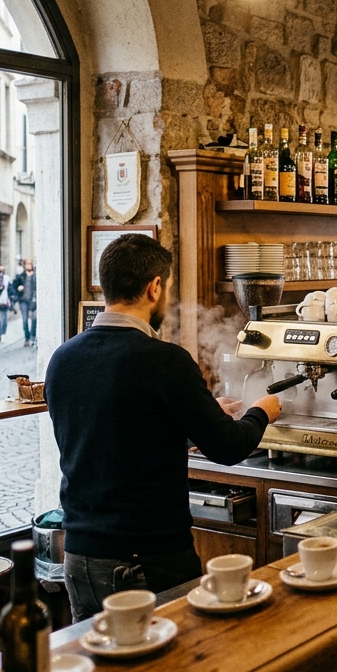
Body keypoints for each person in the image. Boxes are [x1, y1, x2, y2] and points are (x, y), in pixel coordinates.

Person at [46, 234, 282, 621]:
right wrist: (261, 411)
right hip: (147, 562)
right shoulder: (165, 361)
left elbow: (115, 433)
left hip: (80, 557)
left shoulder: (63, 358)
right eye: (168, 289)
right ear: (155, 287)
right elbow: (228, 447)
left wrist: (195, 417)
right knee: (172, 671)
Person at [14, 259, 37, 347]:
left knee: (34, 319)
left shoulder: (36, 275)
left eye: (30, 264)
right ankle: (27, 338)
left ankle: (32, 336)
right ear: (24, 265)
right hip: (23, 301)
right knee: (25, 320)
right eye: (27, 264)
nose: (29, 265)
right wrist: (18, 288)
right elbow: (14, 286)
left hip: (34, 300)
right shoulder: (20, 276)